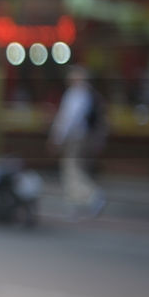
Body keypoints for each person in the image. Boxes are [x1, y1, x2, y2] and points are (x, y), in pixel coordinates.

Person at [49, 65, 105, 219]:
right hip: (80, 137)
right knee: (72, 169)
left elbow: (68, 119)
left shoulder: (77, 94)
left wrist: (57, 137)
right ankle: (74, 204)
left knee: (71, 170)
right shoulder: (84, 93)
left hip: (74, 137)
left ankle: (92, 195)